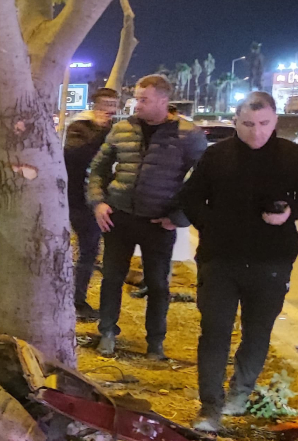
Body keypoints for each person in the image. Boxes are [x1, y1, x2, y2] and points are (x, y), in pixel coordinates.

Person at [179, 92, 298, 433]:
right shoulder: (216, 156)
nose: (256, 132)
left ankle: (239, 394)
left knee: (257, 333)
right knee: (214, 333)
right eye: (247, 124)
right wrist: (211, 224)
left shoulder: (293, 155)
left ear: (274, 121)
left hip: (271, 260)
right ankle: (210, 405)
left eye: (264, 124)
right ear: (235, 121)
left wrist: (290, 213)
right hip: (219, 260)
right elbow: (189, 197)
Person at [89, 74, 207, 359]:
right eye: (136, 99)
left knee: (158, 285)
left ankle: (155, 342)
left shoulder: (188, 135)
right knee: (111, 279)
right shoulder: (122, 129)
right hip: (119, 217)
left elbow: (204, 182)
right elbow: (97, 170)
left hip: (159, 222)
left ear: (163, 101)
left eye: (144, 100)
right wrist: (98, 203)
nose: (136, 105)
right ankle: (106, 332)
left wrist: (178, 217)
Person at [63, 87, 120, 320]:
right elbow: (75, 157)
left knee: (90, 253)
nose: (108, 109)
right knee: (77, 252)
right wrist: (99, 132)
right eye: (105, 103)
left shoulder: (118, 130)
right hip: (76, 200)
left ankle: (78, 299)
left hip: (103, 203)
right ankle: (71, 300)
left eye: (113, 104)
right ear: (95, 104)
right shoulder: (79, 127)